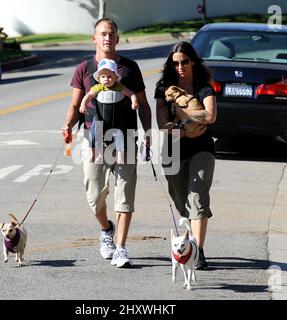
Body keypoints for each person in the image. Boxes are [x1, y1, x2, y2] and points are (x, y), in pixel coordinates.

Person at [62, 18, 151, 268]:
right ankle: (106, 229)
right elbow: (75, 104)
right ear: (94, 38)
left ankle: (121, 247)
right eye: (102, 34)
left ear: (117, 38)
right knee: (93, 195)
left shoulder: (130, 68)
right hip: (94, 138)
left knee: (124, 194)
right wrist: (68, 125)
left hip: (126, 138)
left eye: (111, 34)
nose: (107, 38)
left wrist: (147, 132)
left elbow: (142, 104)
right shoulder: (83, 69)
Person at [155, 41, 217, 270]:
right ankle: (190, 240)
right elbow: (162, 123)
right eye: (176, 63)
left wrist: (182, 112)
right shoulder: (164, 87)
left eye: (185, 62)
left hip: (202, 148)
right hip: (173, 150)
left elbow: (210, 116)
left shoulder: (203, 86)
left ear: (193, 61)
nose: (180, 67)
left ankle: (198, 251)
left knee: (198, 197)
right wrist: (184, 129)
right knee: (181, 200)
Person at [79, 57, 140, 164]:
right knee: (93, 134)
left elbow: (131, 94)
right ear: (99, 78)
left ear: (116, 77)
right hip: (100, 118)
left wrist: (134, 102)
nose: (106, 79)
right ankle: (94, 154)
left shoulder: (119, 87)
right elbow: (88, 96)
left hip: (116, 119)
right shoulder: (98, 88)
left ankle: (120, 156)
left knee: (120, 135)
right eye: (103, 76)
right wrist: (83, 104)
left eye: (109, 76)